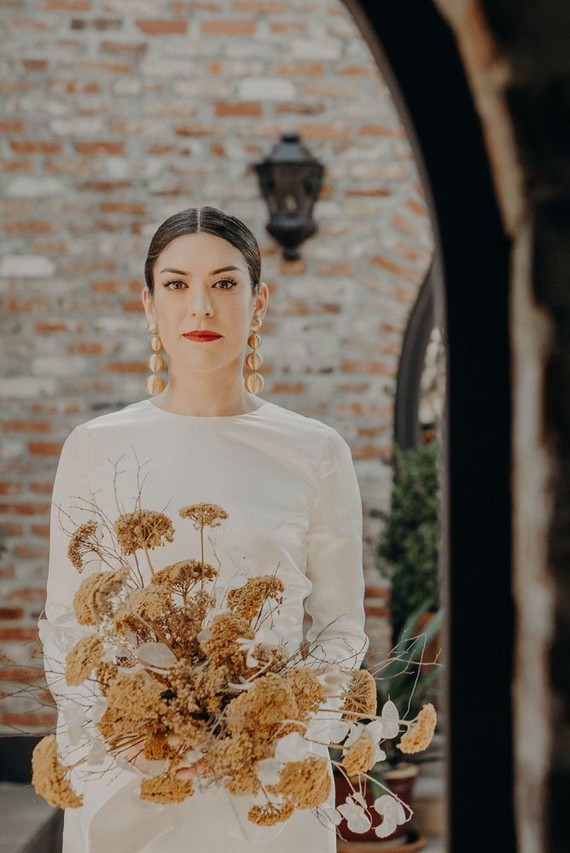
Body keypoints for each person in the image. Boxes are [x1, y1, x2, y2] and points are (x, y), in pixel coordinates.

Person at [42, 206, 369, 852]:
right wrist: (138, 739)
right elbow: (68, 630)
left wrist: (269, 728)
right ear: (147, 303)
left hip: (270, 782)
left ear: (260, 301)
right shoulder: (94, 449)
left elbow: (340, 632)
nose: (200, 306)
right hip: (134, 780)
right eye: (176, 284)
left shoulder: (316, 451)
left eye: (224, 283)